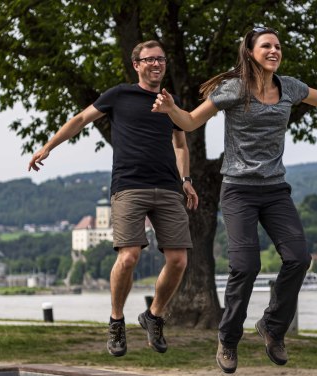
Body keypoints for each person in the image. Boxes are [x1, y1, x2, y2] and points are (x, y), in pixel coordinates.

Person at [152, 27, 317, 373]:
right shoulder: (234, 89)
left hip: (274, 189)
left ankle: (272, 326)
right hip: (238, 189)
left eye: (278, 46)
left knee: (299, 258)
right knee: (245, 266)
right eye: (266, 45)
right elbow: (191, 122)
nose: (274, 50)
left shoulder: (289, 87)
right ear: (250, 52)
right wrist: (170, 109)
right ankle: (228, 338)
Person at [28, 40, 199, 357]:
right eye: (149, 59)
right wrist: (48, 147)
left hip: (167, 186)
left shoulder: (170, 102)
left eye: (161, 59)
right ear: (137, 64)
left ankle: (153, 316)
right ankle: (116, 321)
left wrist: (186, 179)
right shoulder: (119, 95)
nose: (157, 64)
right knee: (129, 256)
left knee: (179, 260)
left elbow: (180, 144)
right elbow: (80, 119)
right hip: (129, 186)